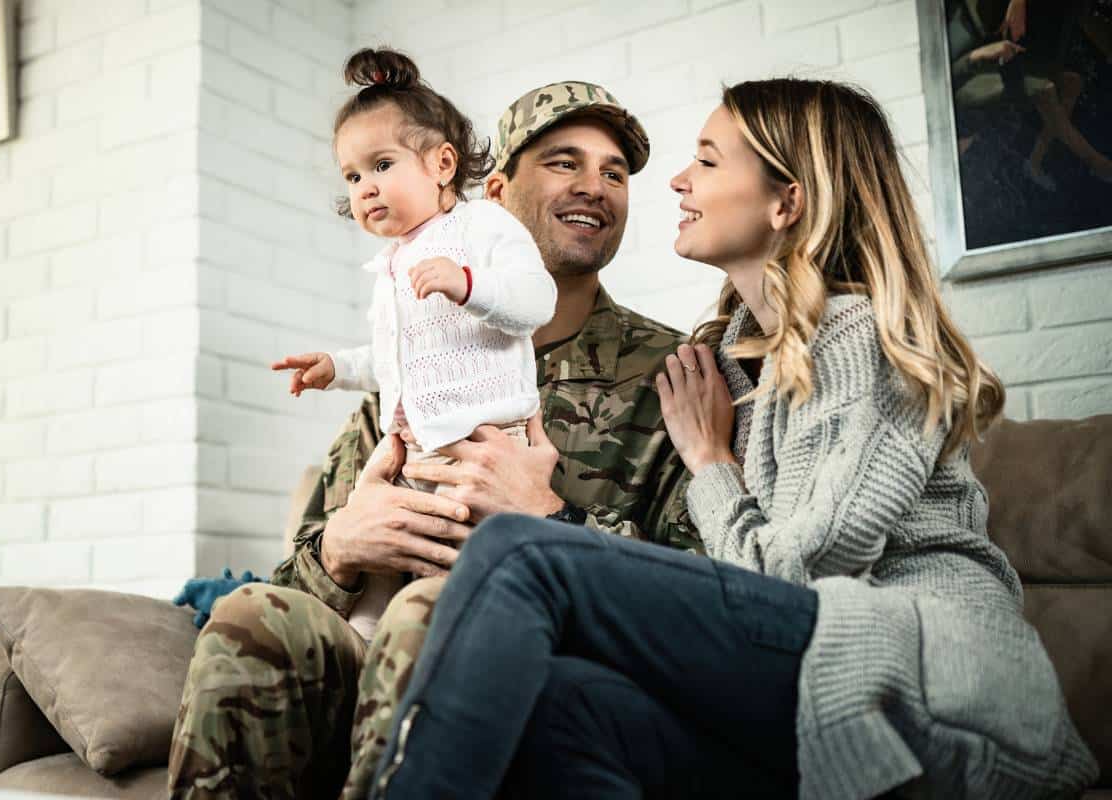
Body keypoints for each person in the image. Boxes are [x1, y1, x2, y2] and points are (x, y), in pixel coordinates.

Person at [367, 79, 1099, 799]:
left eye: (709, 161)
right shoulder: (727, 365)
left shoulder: (859, 341)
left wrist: (709, 463)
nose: (679, 182)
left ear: (787, 201)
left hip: (938, 685)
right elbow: (723, 598)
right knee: (564, 704)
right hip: (821, 684)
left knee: (517, 554)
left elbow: (797, 574)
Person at [166, 76, 698, 799]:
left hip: (539, 676)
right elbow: (301, 574)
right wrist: (341, 550)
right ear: (497, 192)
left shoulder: (670, 373)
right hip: (368, 658)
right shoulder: (411, 364)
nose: (597, 187)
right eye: (565, 162)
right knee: (250, 616)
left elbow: (705, 605)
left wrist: (550, 522)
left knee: (432, 613)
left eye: (614, 173)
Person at [270, 48, 555, 641]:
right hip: (414, 449)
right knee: (382, 568)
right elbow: (394, 359)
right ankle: (367, 645)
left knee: (452, 565)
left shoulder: (482, 227)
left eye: (380, 165)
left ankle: (438, 644)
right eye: (351, 176)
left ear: (442, 164)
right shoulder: (394, 263)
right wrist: (337, 367)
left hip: (483, 447)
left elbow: (536, 302)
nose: (365, 188)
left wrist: (468, 284)